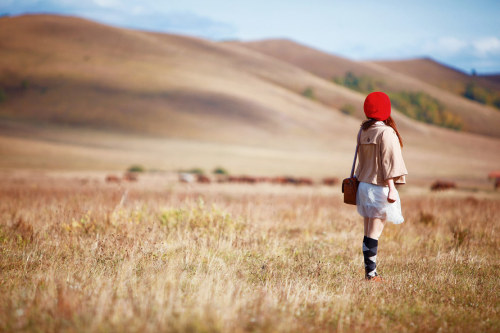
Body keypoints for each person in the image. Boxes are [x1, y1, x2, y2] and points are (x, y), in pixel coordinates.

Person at [355, 92, 408, 281]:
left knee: (368, 231)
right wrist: (392, 188)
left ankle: (369, 273)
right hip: (379, 187)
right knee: (374, 233)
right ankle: (371, 275)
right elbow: (389, 163)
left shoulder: (364, 130)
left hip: (363, 187)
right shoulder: (387, 132)